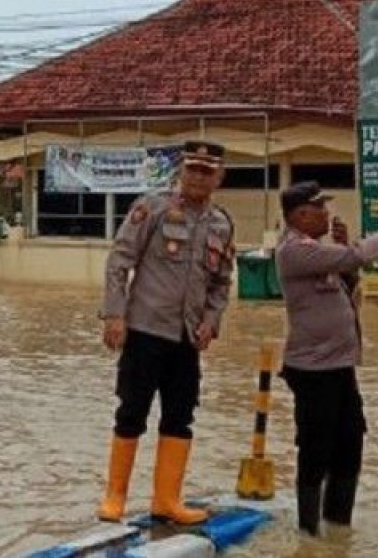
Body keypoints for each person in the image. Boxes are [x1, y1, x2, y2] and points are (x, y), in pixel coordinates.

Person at [96, 140, 235, 526]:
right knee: (131, 412)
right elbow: (119, 261)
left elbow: (221, 282)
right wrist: (114, 315)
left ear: (219, 178)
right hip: (144, 329)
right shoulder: (153, 208)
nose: (197, 177)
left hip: (186, 338)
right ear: (180, 171)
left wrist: (211, 320)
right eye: (192, 168)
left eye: (207, 171)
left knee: (180, 416)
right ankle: (115, 497)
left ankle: (167, 500)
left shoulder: (221, 224)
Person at [273, 181, 378, 536]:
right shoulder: (293, 251)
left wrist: (345, 245)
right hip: (313, 369)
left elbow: (349, 275)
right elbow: (355, 258)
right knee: (316, 448)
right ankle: (308, 533)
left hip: (339, 366)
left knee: (350, 441)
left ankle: (337, 526)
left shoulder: (318, 250)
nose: (327, 213)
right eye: (320, 208)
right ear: (301, 215)